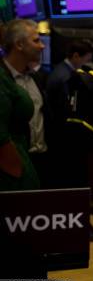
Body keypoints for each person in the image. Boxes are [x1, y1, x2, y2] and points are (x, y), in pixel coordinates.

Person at [0, 19, 48, 186]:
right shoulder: (3, 79)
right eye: (36, 40)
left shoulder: (37, 77)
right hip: (14, 168)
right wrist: (17, 169)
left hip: (41, 159)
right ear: (19, 44)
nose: (42, 46)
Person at [46, 40, 93, 188]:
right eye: (86, 59)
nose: (87, 63)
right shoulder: (66, 77)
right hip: (62, 136)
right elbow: (67, 109)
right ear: (76, 56)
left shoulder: (61, 71)